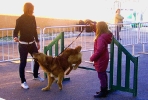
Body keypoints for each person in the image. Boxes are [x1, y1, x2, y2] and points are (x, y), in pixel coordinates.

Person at [13, 2, 44, 89]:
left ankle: (35, 75)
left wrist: (37, 42)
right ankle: (23, 81)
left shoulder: (33, 18)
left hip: (32, 43)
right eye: (32, 10)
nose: (33, 12)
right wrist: (15, 37)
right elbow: (15, 31)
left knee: (37, 60)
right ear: (27, 9)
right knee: (23, 63)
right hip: (23, 45)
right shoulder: (20, 19)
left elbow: (34, 31)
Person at [90, 21, 113, 98]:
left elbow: (99, 50)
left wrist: (92, 58)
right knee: (103, 74)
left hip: (101, 59)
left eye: (96, 27)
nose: (96, 28)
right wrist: (92, 24)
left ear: (99, 28)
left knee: (101, 75)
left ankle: (103, 92)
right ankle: (104, 90)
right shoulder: (104, 35)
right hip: (104, 57)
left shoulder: (100, 38)